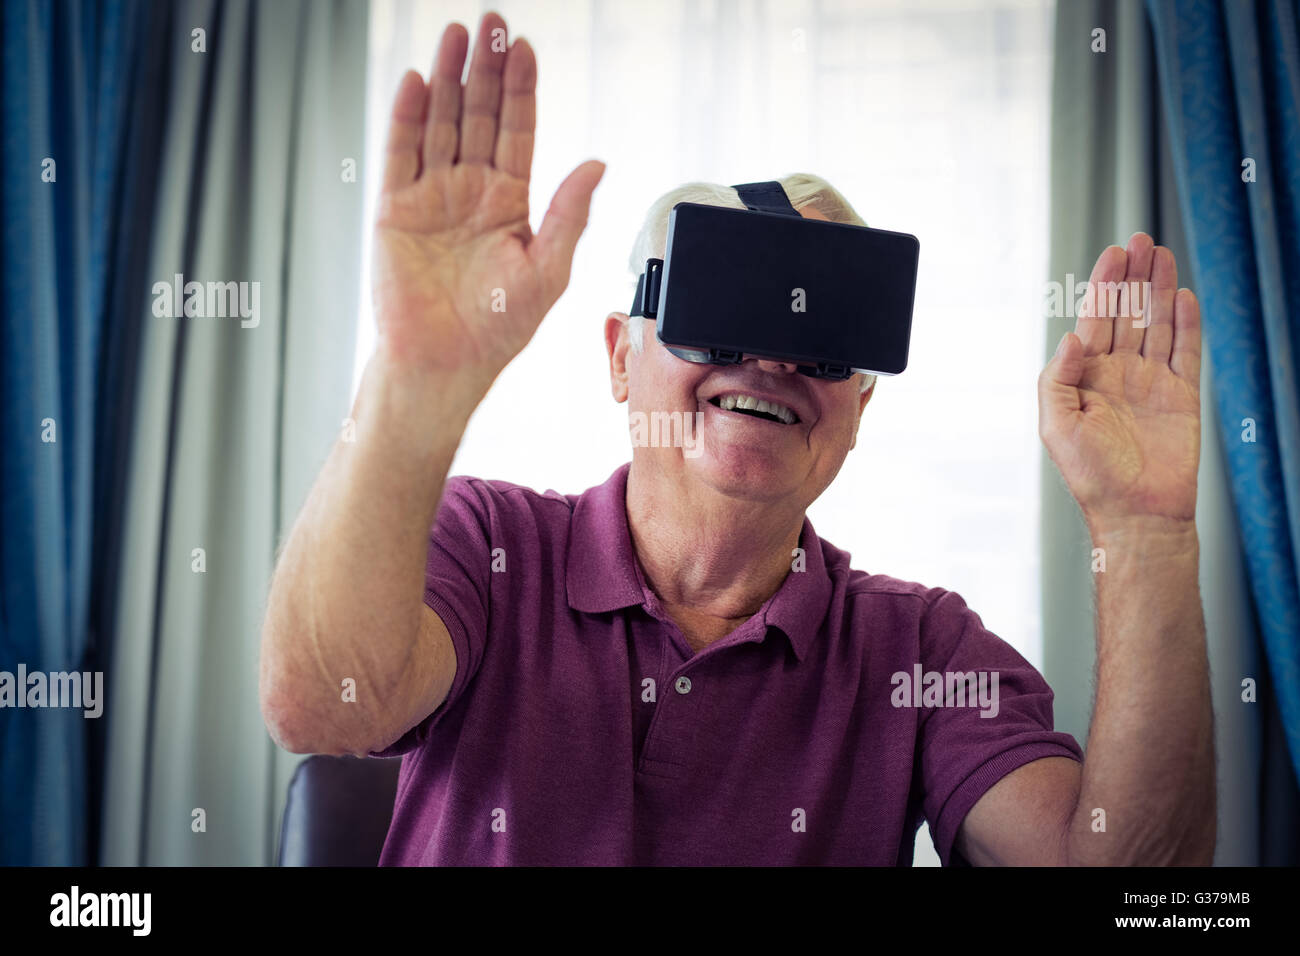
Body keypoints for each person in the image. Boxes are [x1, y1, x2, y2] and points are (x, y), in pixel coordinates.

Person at [258, 11, 1215, 866]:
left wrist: (1144, 534)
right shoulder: (488, 547)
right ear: (621, 359)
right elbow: (316, 704)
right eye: (719, 308)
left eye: (825, 336)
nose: (769, 359)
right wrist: (414, 382)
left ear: (860, 410)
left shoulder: (921, 648)